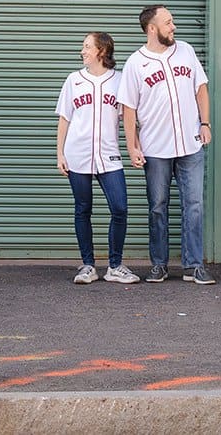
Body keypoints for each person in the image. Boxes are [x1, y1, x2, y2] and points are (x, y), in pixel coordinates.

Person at [119, 4, 215, 285]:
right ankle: (159, 265)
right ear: (152, 29)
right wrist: (132, 147)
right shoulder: (135, 63)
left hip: (190, 144)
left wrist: (205, 123)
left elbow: (201, 89)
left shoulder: (185, 50)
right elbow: (128, 109)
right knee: (157, 207)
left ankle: (193, 265)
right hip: (155, 148)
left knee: (194, 205)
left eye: (173, 22)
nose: (174, 27)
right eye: (168, 23)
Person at [55, 32, 139, 285]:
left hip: (109, 155)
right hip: (77, 154)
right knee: (83, 209)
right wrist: (60, 153)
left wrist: (135, 147)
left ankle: (115, 266)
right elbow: (65, 118)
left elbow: (128, 118)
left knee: (120, 208)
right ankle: (88, 266)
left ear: (101, 51)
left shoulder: (120, 80)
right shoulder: (74, 80)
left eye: (87, 47)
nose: (82, 51)